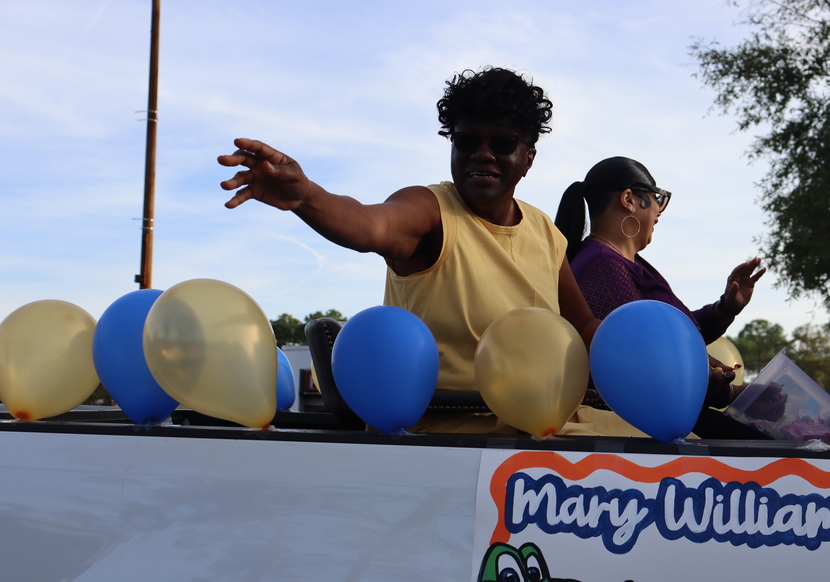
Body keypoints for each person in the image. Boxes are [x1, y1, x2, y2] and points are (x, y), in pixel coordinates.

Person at [218, 68, 643, 437]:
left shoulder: (545, 232)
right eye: (466, 140)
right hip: (455, 438)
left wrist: (656, 362)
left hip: (548, 428)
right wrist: (307, 196)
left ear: (528, 157)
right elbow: (370, 225)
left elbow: (583, 325)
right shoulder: (430, 211)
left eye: (502, 143)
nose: (482, 153)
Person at [555, 156, 768, 438]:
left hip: (657, 417)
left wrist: (726, 307)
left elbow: (678, 335)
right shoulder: (603, 266)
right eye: (657, 198)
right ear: (629, 199)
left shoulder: (622, 262)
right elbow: (647, 360)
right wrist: (734, 393)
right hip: (638, 426)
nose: (659, 210)